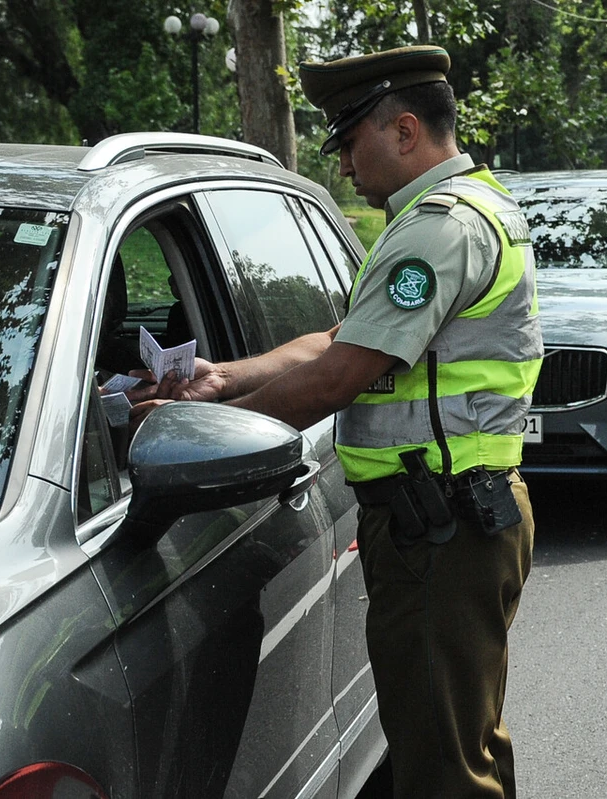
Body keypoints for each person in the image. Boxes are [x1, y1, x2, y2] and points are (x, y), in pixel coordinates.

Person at [132, 44, 543, 799]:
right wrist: (223, 379)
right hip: (453, 518)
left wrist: (211, 430)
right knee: (463, 741)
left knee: (443, 769)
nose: (345, 166)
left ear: (405, 130)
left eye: (351, 142)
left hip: (442, 527)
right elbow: (337, 342)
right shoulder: (451, 213)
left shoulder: (440, 228)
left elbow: (339, 376)